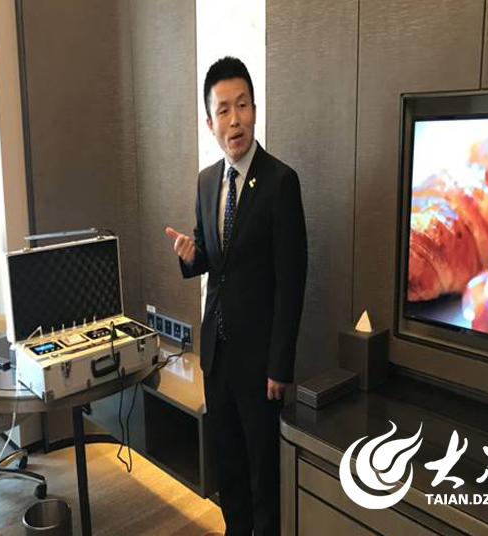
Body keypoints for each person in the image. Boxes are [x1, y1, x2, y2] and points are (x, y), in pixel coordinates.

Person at [165, 56, 307, 536]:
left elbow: (292, 280)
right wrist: (191, 256)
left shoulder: (281, 182)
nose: (234, 120)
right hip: (217, 355)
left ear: (255, 110)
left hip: (260, 364)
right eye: (223, 110)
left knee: (263, 472)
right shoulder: (208, 180)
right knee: (229, 468)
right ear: (210, 123)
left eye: (242, 106)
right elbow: (213, 256)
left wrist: (280, 365)